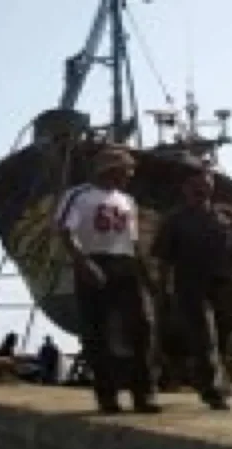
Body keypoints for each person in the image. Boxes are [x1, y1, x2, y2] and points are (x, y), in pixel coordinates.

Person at [54, 146, 160, 414]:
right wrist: (83, 262)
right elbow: (64, 231)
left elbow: (132, 240)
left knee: (141, 326)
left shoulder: (127, 201)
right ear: (110, 169)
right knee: (96, 330)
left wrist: (146, 275)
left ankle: (143, 392)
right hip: (94, 260)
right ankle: (107, 395)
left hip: (125, 262)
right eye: (126, 170)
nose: (130, 176)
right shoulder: (78, 195)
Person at [151, 169, 232, 410]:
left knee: (225, 335)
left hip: (224, 285)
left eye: (205, 185)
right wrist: (161, 290)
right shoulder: (175, 220)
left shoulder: (227, 216)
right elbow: (164, 258)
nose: (200, 190)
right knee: (204, 336)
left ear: (211, 188)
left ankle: (212, 378)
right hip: (191, 285)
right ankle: (212, 391)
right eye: (195, 186)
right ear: (185, 189)